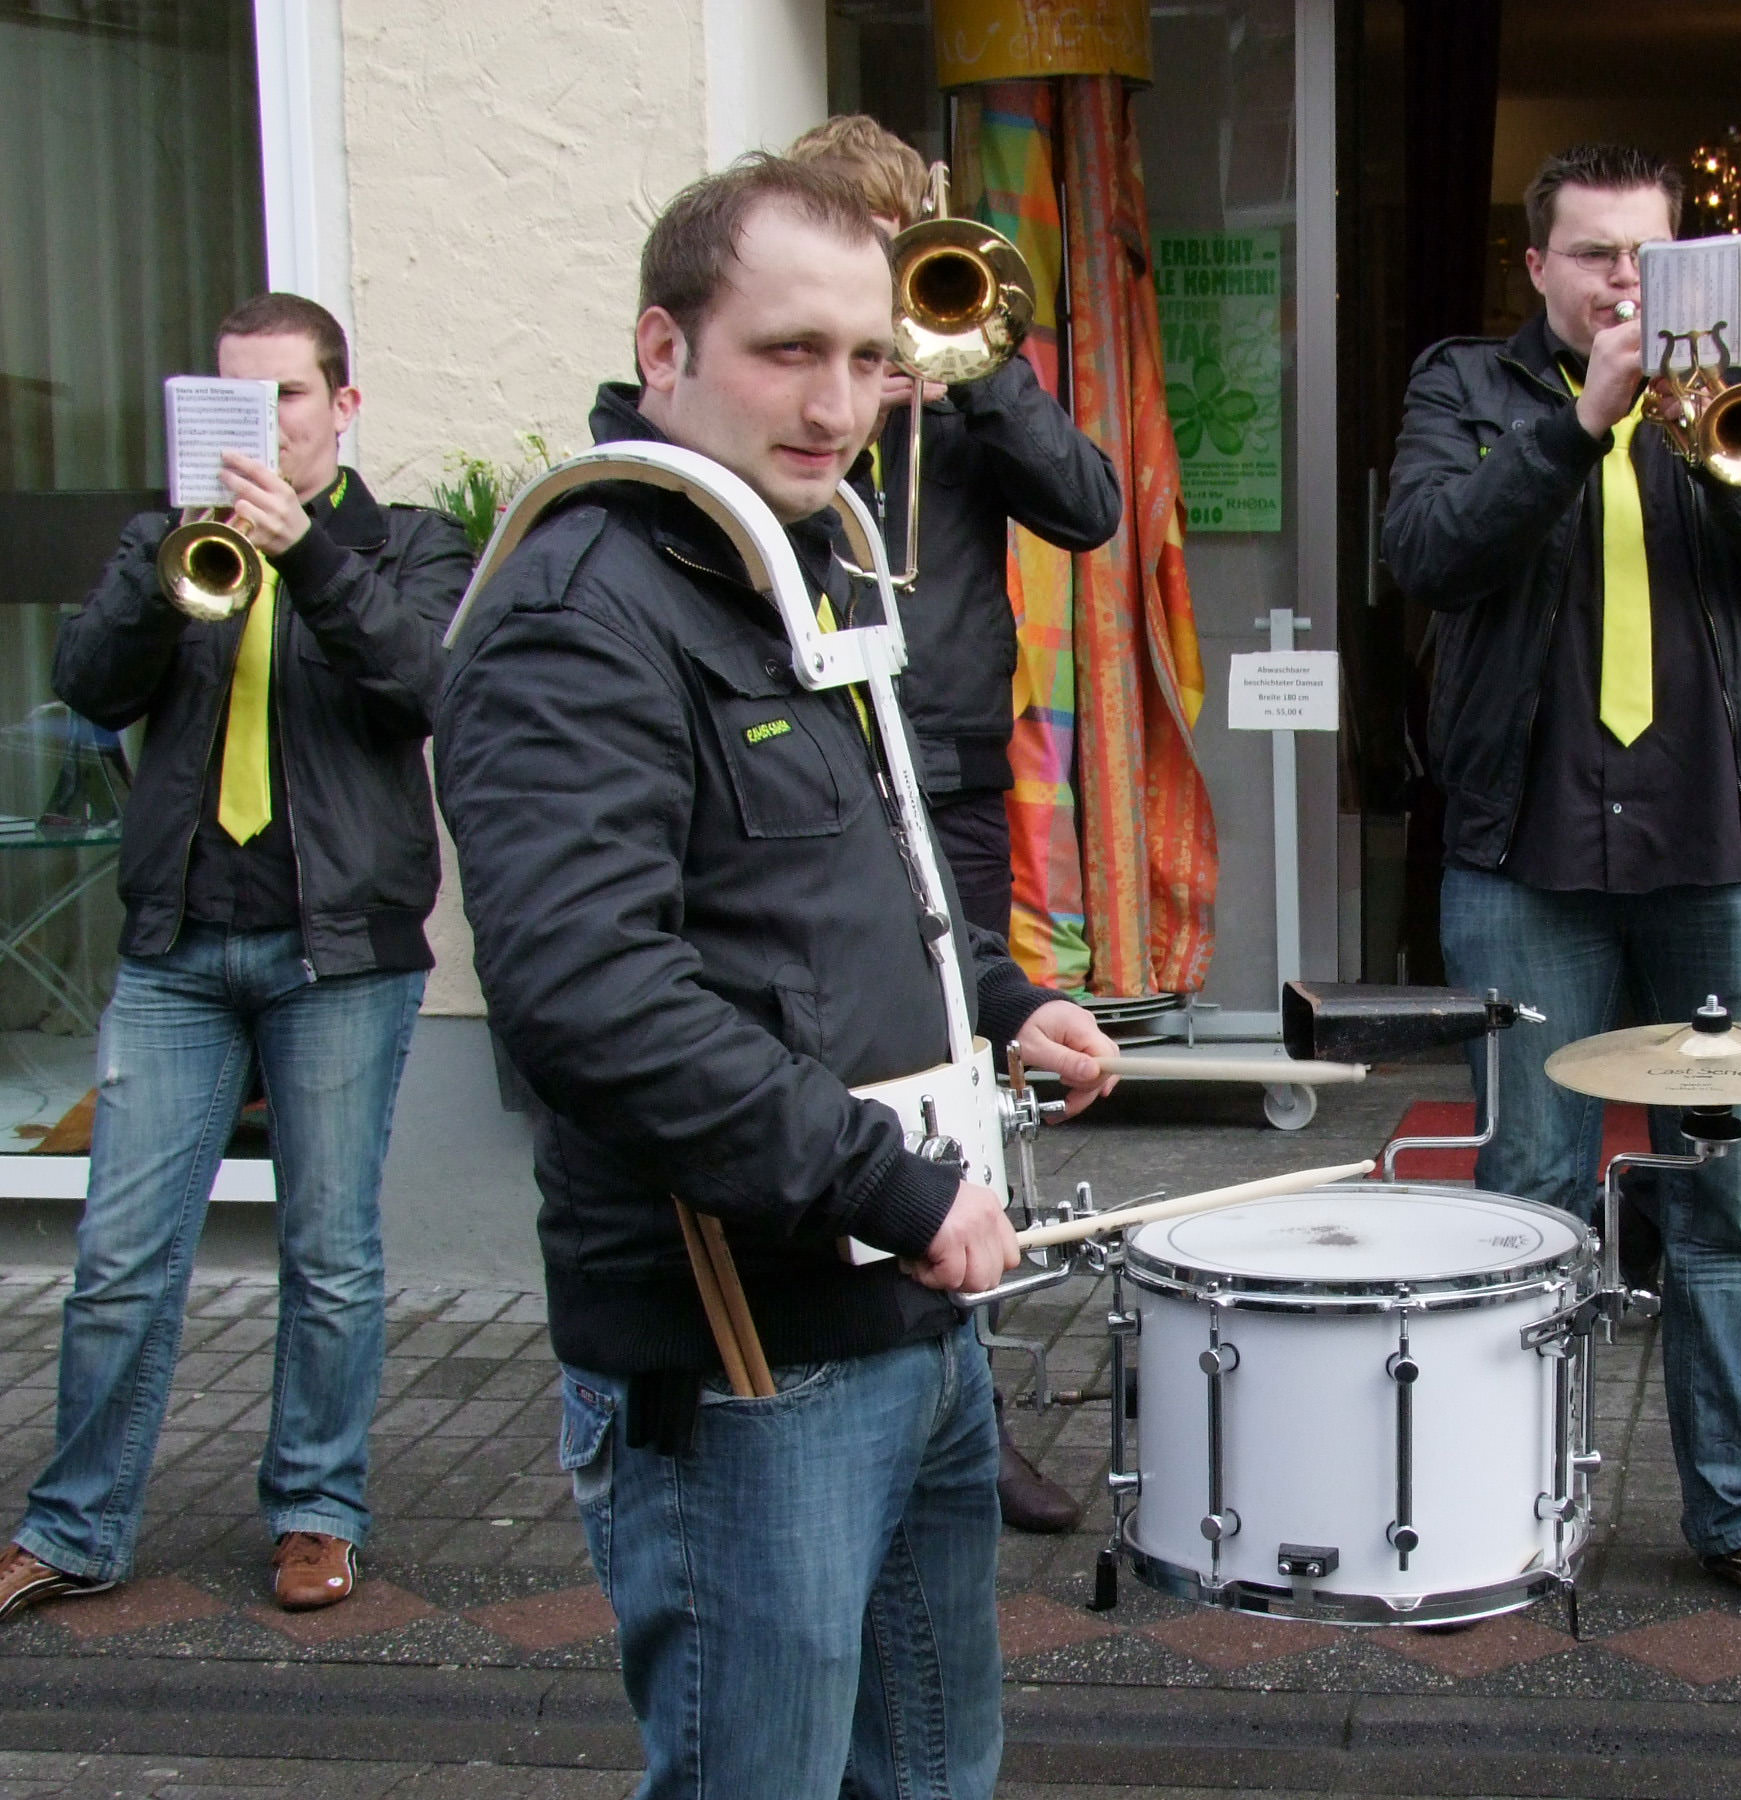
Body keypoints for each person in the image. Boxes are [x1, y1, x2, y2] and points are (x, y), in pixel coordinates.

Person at [434, 154, 1119, 1800]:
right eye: (789, 351)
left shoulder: (792, 559)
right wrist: (884, 1182)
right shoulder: (580, 613)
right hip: (747, 1364)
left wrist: (999, 1002)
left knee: (932, 1776)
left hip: (904, 1319)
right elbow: (590, 997)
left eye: (870, 358)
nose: (838, 404)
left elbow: (841, 883)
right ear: (663, 349)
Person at [1382, 142, 1741, 1622]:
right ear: (1537, 265)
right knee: (1527, 1197)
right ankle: (1505, 1507)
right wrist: (1579, 425)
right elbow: (1424, 553)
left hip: (1721, 860)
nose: (1621, 283)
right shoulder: (1466, 387)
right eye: (1594, 255)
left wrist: (1715, 444)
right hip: (1525, 857)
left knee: (1726, 1206)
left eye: (1647, 257)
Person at [0, 294, 470, 1623]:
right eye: (235, 400)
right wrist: (168, 572)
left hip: (342, 953)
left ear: (344, 407)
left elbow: (427, 685)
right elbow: (91, 684)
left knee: (329, 1258)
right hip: (179, 946)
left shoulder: (409, 543)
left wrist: (306, 554)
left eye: (287, 399)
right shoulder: (162, 537)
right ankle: (75, 1527)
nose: (263, 427)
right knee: (119, 1259)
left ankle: (318, 1513)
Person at [789, 115, 1122, 1535]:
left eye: (902, 255)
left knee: (960, 1089)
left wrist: (981, 374)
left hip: (952, 762)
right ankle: (834, 1385)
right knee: (837, 1068)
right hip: (815, 761)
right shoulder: (802, 392)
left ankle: (963, 1416)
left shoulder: (968, 373)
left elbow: (1090, 508)